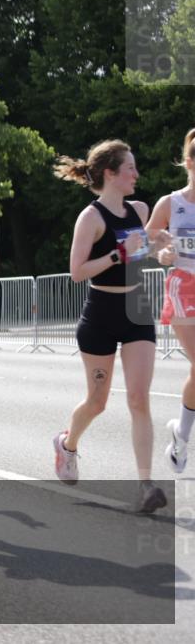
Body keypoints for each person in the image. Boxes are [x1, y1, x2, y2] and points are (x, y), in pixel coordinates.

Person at [53, 139, 167, 513]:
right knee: (98, 402)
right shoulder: (91, 218)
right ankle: (67, 445)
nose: (137, 174)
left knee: (138, 398)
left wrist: (157, 248)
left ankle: (146, 485)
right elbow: (76, 272)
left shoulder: (139, 208)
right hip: (100, 313)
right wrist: (118, 252)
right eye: (130, 168)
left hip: (135, 308)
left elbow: (142, 248)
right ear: (110, 174)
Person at [147, 127, 195, 474]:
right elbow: (145, 242)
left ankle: (181, 434)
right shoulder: (171, 203)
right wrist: (161, 252)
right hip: (183, 287)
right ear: (189, 162)